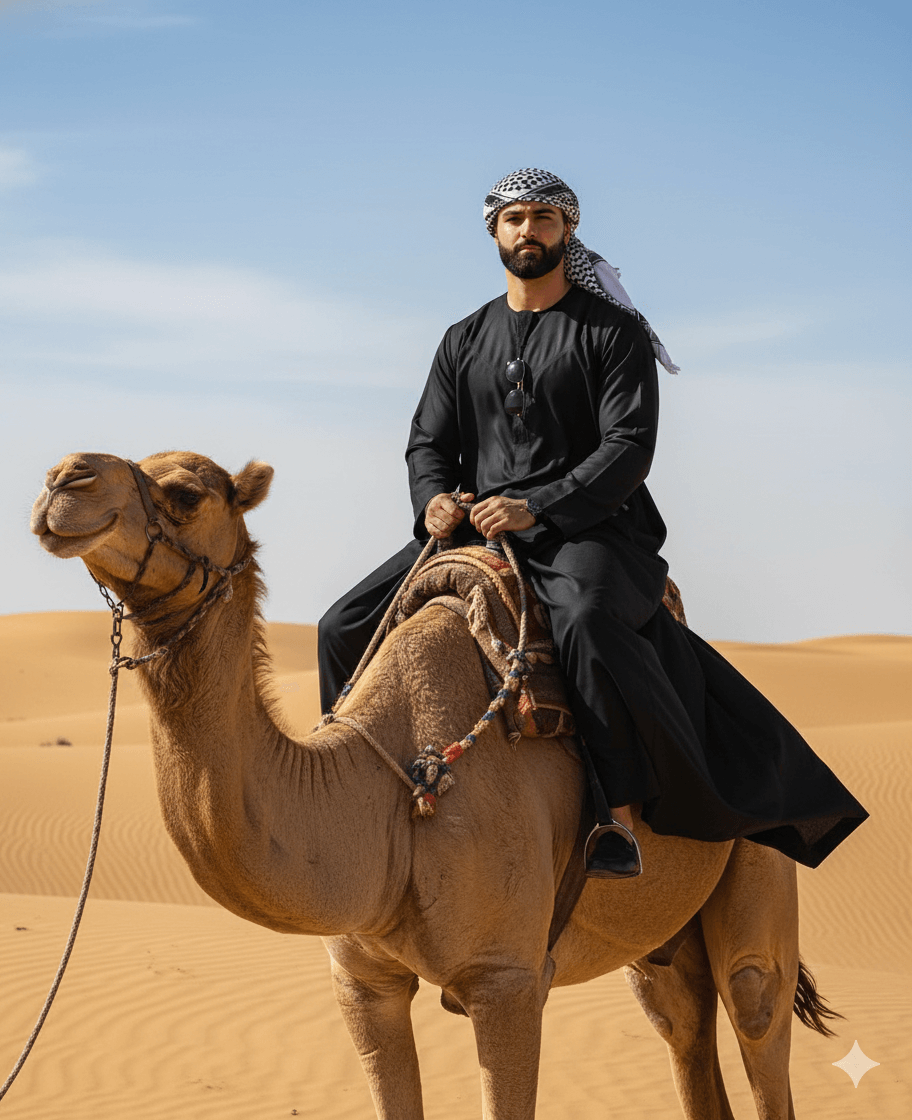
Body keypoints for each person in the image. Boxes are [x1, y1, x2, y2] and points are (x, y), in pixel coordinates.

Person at [318, 167, 867, 878]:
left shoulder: (613, 332)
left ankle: (618, 815)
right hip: (474, 526)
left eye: (543, 218)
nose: (528, 230)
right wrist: (433, 500)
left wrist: (539, 505)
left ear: (567, 230)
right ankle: (350, 798)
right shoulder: (463, 338)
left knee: (587, 622)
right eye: (515, 219)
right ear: (494, 232)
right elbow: (428, 442)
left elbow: (628, 445)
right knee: (341, 625)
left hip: (590, 527)